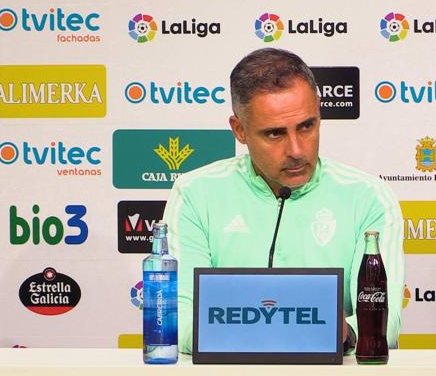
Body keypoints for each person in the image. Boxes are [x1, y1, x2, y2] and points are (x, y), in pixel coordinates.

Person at [163, 48, 404, 355]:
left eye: (307, 126)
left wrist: (346, 332)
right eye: (275, 133)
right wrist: (301, 327)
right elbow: (178, 321)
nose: (297, 150)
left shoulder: (368, 197)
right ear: (239, 130)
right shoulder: (196, 194)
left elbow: (383, 323)